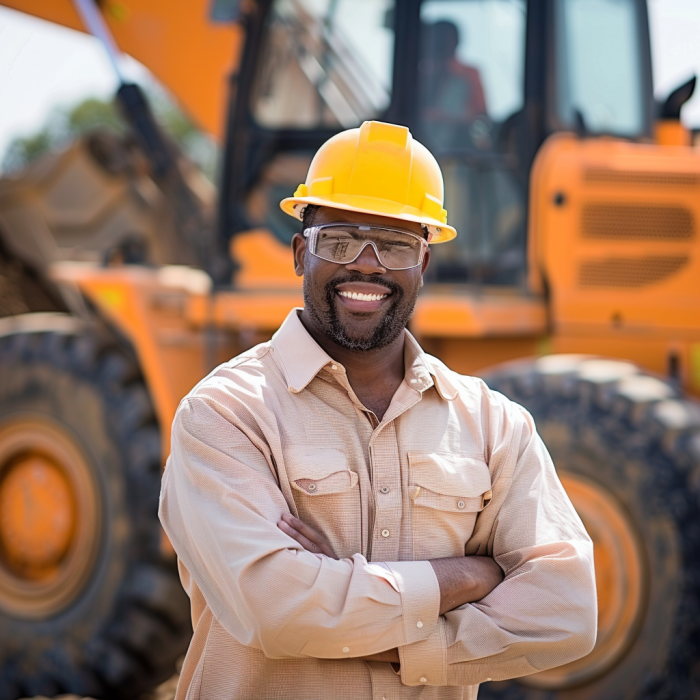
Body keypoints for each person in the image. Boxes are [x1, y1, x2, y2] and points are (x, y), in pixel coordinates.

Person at [159, 120, 596, 699]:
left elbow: (565, 611)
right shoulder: (225, 415)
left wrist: (355, 605)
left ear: (423, 265)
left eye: (395, 245)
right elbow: (277, 610)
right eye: (339, 241)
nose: (367, 266)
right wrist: (468, 575)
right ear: (299, 254)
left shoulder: (493, 426)